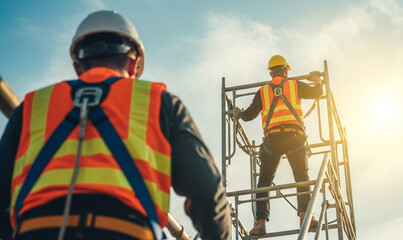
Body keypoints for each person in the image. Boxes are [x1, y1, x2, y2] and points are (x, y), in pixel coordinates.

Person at [0, 10, 231, 240]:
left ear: (78, 66)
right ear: (134, 65)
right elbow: (207, 193)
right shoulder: (159, 102)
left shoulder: (32, 107)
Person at [235, 55, 322, 236]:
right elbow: (317, 93)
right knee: (302, 177)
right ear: (286, 70)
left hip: (272, 140)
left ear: (270, 73)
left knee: (264, 181)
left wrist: (238, 114)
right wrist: (317, 80)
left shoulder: (263, 91)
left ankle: (260, 223)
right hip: (295, 138)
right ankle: (305, 217)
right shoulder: (294, 85)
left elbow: (249, 115)